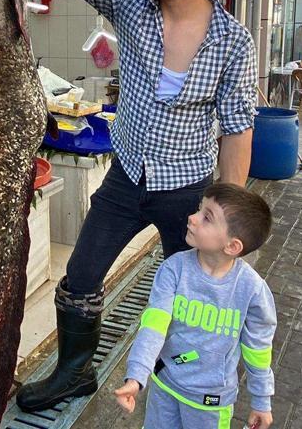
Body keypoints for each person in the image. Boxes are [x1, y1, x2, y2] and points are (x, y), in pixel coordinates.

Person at [0, 0, 259, 411]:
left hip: (186, 189)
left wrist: (227, 218)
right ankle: (74, 372)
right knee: (81, 277)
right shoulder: (132, 2)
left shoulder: (233, 41)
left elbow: (238, 130)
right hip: (124, 179)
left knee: (188, 293)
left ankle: (177, 378)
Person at [114, 183, 275, 429]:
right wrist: (136, 376)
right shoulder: (173, 269)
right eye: (200, 209)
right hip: (165, 385)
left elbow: (258, 348)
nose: (192, 217)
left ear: (232, 246)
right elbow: (153, 326)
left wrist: (262, 400)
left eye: (207, 217)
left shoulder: (251, 290)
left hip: (210, 403)